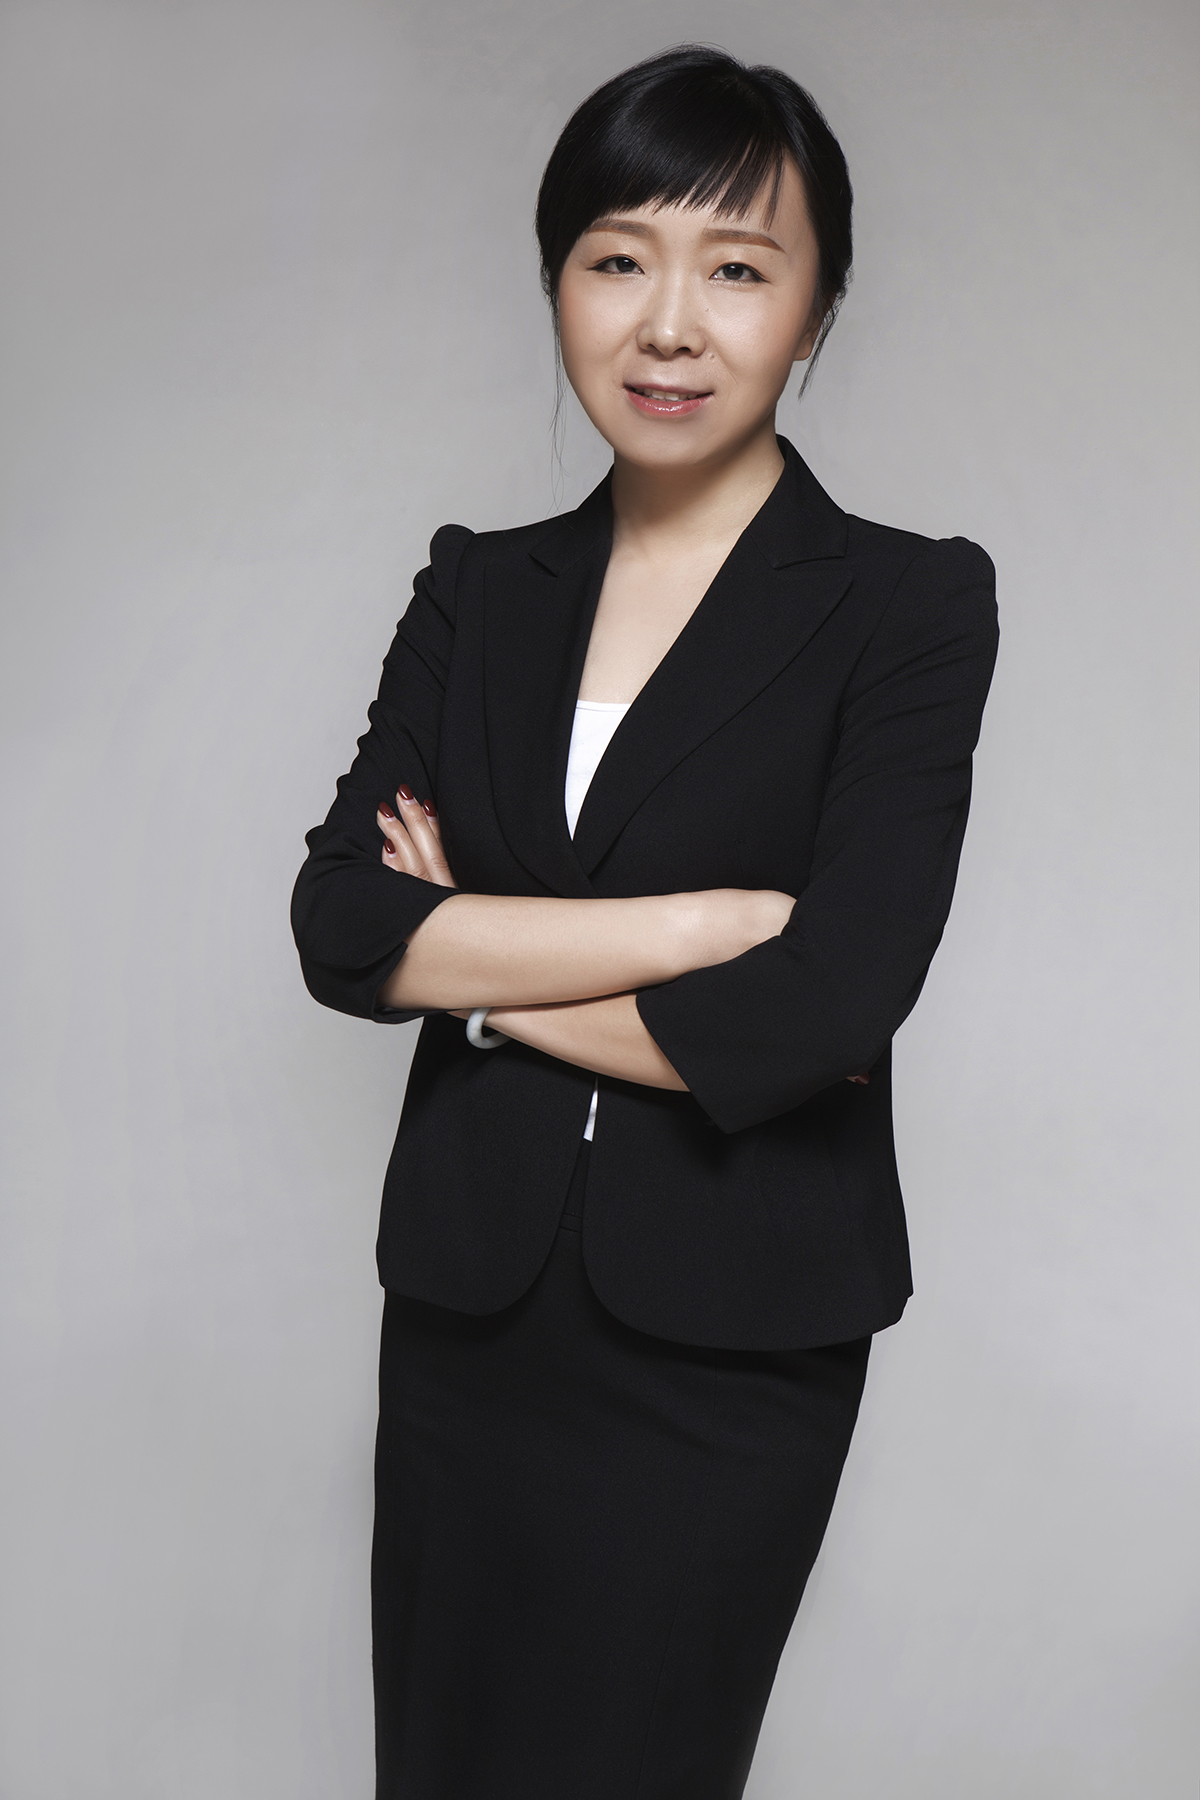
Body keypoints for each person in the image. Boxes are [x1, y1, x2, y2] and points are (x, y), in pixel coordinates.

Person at [291, 43, 998, 1800]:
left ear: (815, 312)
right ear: (557, 282)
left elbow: (828, 1004)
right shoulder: (479, 587)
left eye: (737, 269)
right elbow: (340, 922)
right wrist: (691, 929)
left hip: (730, 1345)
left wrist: (473, 968)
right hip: (468, 1322)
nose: (668, 324)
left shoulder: (908, 603)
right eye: (618, 258)